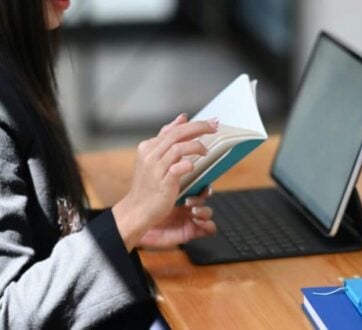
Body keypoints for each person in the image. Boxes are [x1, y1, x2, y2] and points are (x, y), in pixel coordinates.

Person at [0, 0, 218, 328]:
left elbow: (38, 231)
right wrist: (130, 215)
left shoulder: (16, 70)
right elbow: (9, 315)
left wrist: (128, 230)